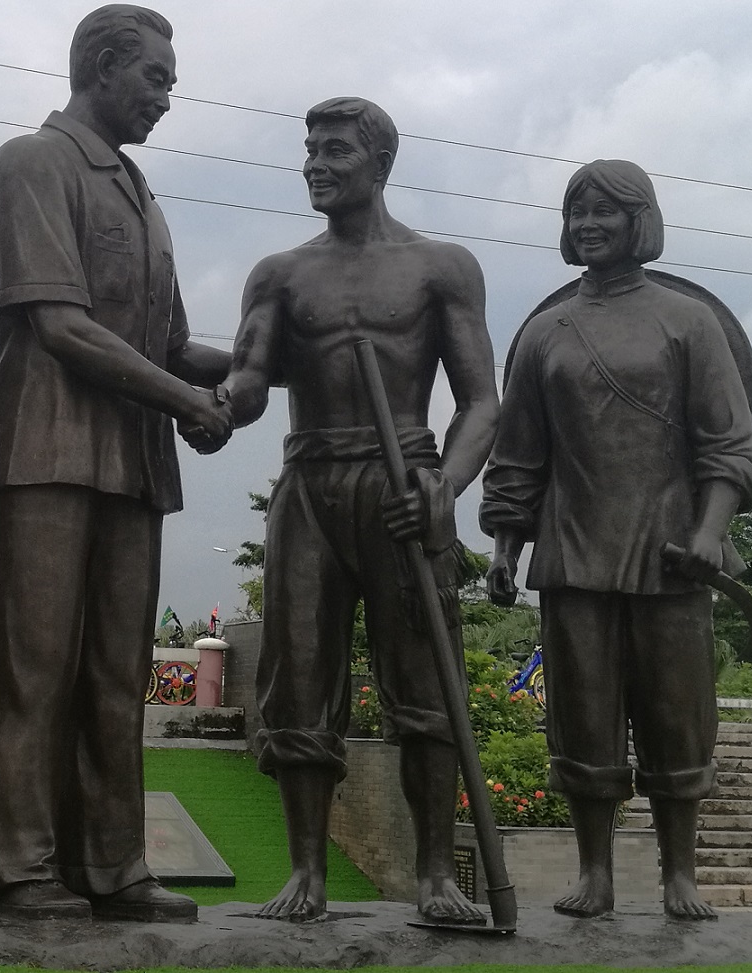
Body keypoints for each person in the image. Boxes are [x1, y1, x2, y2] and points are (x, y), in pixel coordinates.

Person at [0, 4, 232, 922]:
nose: (165, 98)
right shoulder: (33, 163)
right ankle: (22, 867)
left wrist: (271, 360)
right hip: (47, 451)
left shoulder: (142, 197)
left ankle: (112, 864)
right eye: (155, 77)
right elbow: (61, 324)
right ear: (102, 67)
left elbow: (176, 345)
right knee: (35, 671)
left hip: (131, 463)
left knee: (119, 677)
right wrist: (187, 401)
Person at [218, 96, 499, 923]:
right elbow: (249, 379)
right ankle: (306, 871)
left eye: (334, 150)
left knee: (425, 681)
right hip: (309, 486)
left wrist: (446, 485)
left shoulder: (441, 266)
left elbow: (482, 402)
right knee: (298, 677)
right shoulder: (279, 273)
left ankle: (436, 874)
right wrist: (215, 399)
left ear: (379, 163)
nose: (316, 164)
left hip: (403, 483)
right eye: (310, 150)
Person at [479, 159, 752, 920]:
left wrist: (709, 532)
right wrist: (505, 549)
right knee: (582, 714)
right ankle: (595, 871)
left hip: (671, 554)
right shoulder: (545, 333)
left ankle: (680, 874)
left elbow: (728, 445)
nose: (589, 225)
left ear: (639, 221)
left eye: (605, 210)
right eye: (577, 213)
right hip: (573, 551)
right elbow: (518, 455)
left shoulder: (689, 322)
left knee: (677, 714)